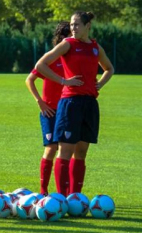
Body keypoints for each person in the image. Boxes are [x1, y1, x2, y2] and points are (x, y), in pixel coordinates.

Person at [35, 11, 114, 196]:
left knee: (82, 152)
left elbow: (109, 68)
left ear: (88, 26)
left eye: (77, 24)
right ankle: (62, 197)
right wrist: (64, 81)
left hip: (89, 104)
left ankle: (75, 196)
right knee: (65, 150)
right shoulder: (68, 44)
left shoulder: (95, 47)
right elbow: (41, 65)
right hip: (70, 103)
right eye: (71, 25)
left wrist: (99, 84)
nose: (73, 28)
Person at [25, 21, 71, 195]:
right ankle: (43, 190)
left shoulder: (72, 60)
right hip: (50, 111)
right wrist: (40, 101)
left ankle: (66, 192)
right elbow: (29, 79)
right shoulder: (51, 58)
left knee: (67, 150)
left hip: (68, 111)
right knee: (51, 148)